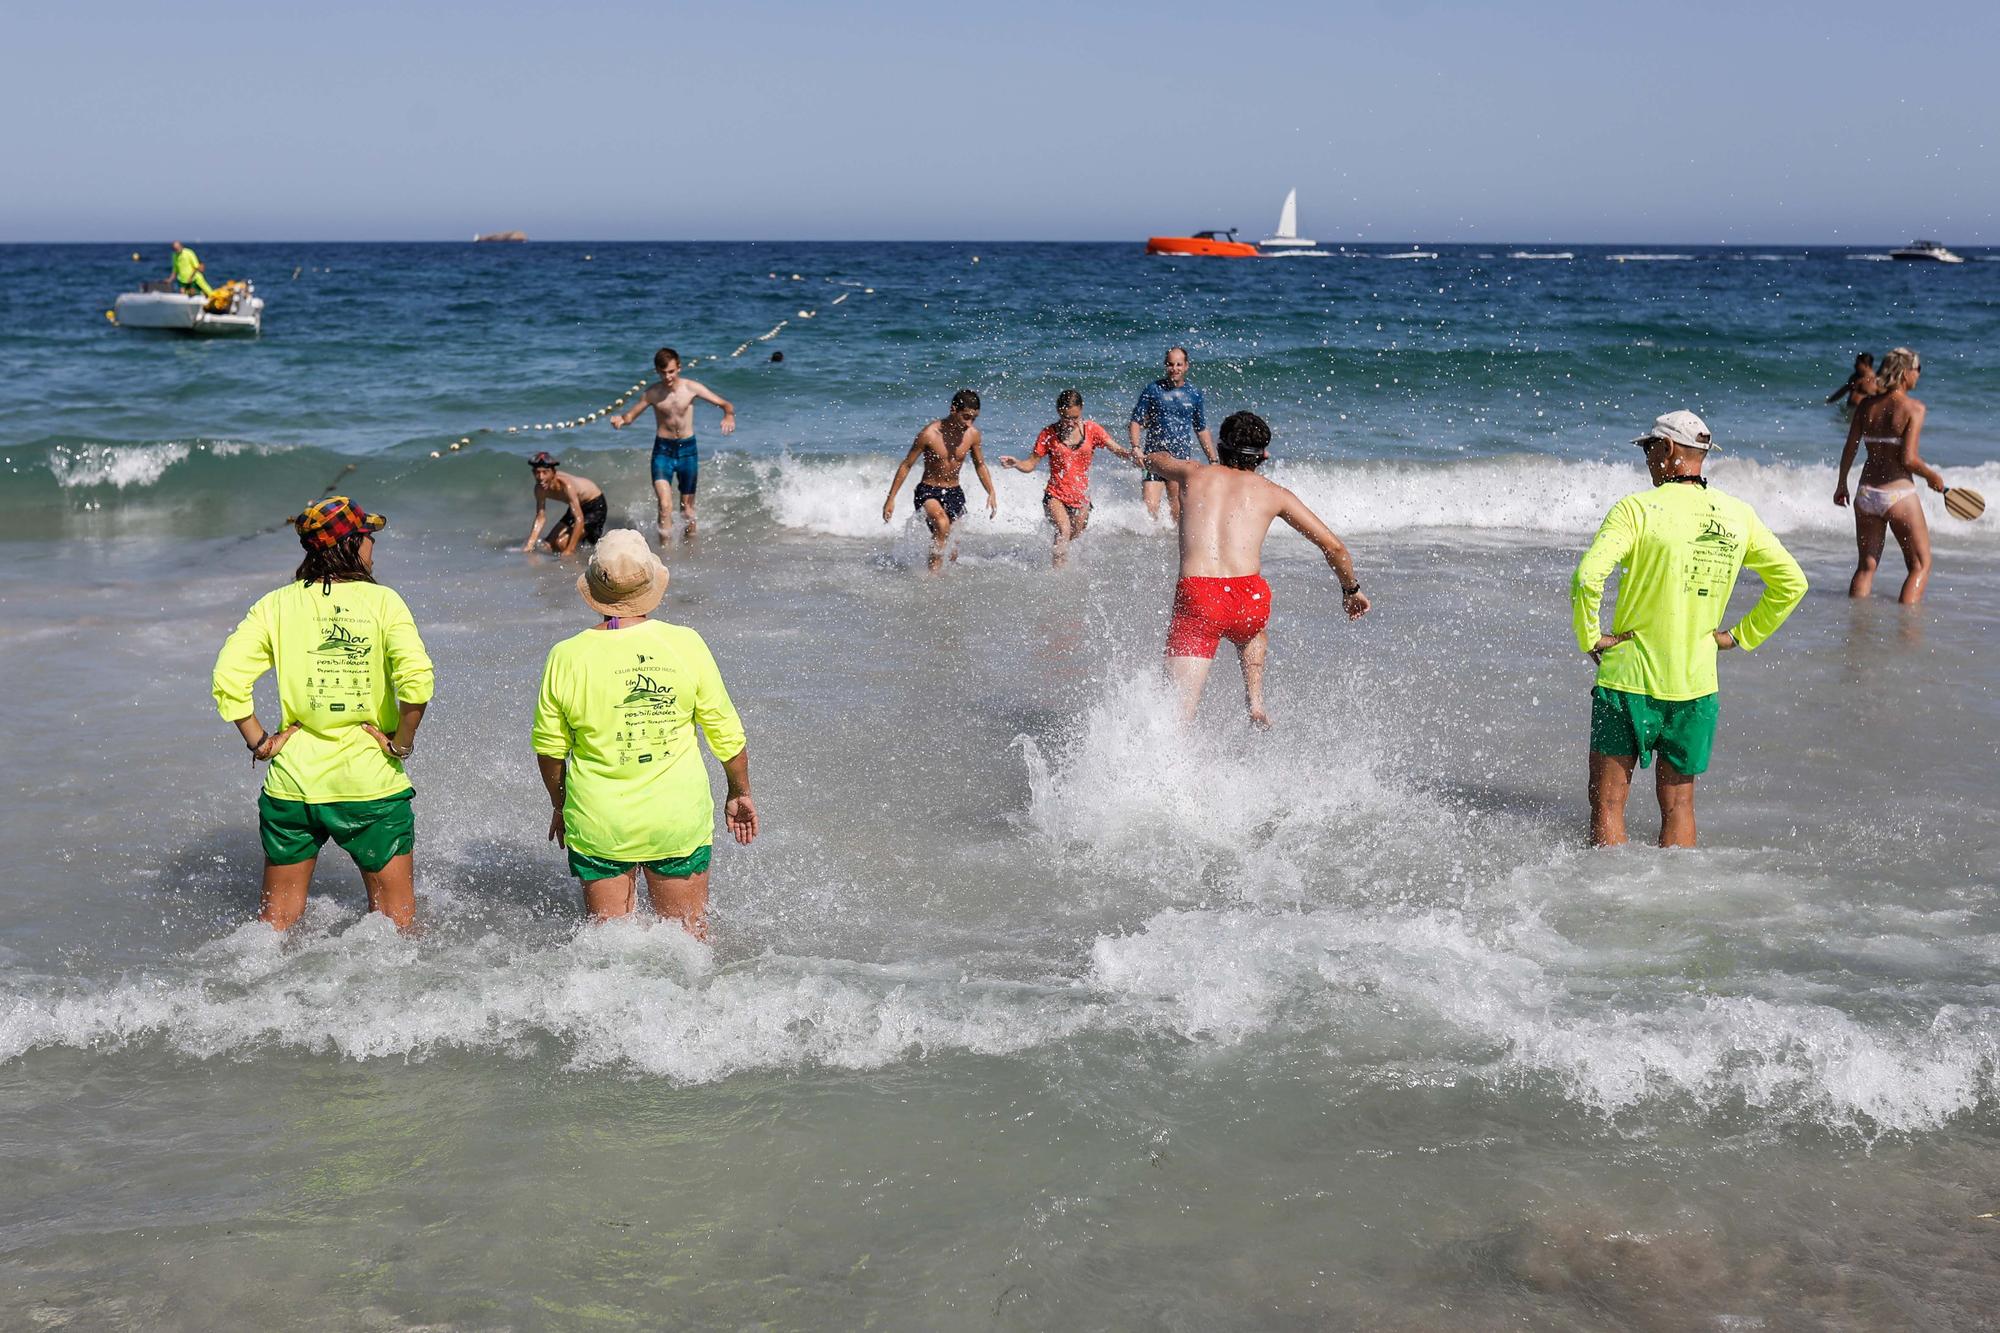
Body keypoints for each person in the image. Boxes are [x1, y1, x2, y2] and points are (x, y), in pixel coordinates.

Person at [1572, 410, 1807, 849]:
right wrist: (1740, 635)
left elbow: (1588, 577)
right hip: (1697, 682)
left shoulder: (1637, 509)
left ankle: (1607, 902)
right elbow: (1792, 582)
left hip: (1628, 679)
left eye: (1649, 448)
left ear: (1669, 450)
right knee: (1680, 806)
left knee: (1607, 803)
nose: (1646, 459)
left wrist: (1591, 636)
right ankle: (1676, 903)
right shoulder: (1738, 516)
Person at [211, 497, 435, 931]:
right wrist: (402, 743)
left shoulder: (274, 605)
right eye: (368, 537)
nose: (373, 546)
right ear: (349, 544)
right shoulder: (384, 602)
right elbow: (418, 683)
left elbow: (228, 677)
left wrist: (260, 742)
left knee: (274, 927)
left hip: (292, 785)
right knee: (399, 929)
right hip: (370, 784)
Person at [531, 530, 757, 932]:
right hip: (675, 817)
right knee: (689, 946)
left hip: (600, 820)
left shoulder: (565, 656)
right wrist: (739, 792)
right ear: (650, 582)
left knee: (610, 956)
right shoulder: (686, 643)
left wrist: (560, 803)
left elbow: (550, 750)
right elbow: (727, 733)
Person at [1141, 410, 1369, 725]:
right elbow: (1334, 547)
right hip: (1249, 597)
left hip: (1200, 598)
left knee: (1176, 717)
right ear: (1263, 456)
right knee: (1253, 630)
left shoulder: (1192, 473)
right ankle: (1256, 702)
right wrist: (1350, 590)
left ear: (1220, 448)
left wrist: (1152, 454)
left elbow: (1152, 459)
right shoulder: (1276, 494)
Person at [1834, 347, 1947, 604]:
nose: (1918, 375)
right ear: (1905, 372)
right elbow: (1908, 459)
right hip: (1897, 494)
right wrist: (1932, 476)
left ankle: (1857, 625)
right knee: (1920, 565)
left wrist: (1842, 484)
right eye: (1917, 370)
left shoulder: (1865, 406)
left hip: (1865, 494)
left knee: (1866, 566)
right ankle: (1907, 632)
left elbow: (1850, 447)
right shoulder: (1913, 408)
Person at [608, 347, 736, 543]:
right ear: (657, 371)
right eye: (662, 372)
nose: (667, 376)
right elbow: (630, 416)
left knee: (687, 508)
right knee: (665, 506)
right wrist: (621, 420)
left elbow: (726, 404)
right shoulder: (652, 393)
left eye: (671, 371)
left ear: (679, 368)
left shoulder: (691, 388)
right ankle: (665, 553)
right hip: (663, 452)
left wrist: (728, 415)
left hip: (688, 451)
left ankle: (691, 549)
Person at [998, 388, 1136, 566]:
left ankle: (1060, 568)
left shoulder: (1092, 430)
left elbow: (1116, 449)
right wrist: (1017, 463)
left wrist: (1133, 456)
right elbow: (1031, 464)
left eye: (1074, 418)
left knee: (1074, 537)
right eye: (1066, 418)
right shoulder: (1048, 434)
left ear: (1081, 410)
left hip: (1081, 497)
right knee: (1064, 531)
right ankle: (1056, 577)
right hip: (1055, 495)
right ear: (1058, 412)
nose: (1070, 423)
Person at [881, 389, 998, 574]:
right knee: (942, 524)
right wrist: (891, 498)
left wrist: (991, 491)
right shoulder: (929, 434)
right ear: (953, 410)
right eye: (966, 417)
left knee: (952, 550)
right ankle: (932, 578)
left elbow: (980, 465)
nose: (969, 423)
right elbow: (906, 465)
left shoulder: (973, 435)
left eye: (974, 418)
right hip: (929, 491)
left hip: (954, 492)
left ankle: (941, 578)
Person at [1128, 347, 1218, 523]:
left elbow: (1200, 428)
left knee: (1177, 515)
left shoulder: (1194, 394)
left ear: (1186, 366)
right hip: (1152, 459)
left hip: (1179, 462)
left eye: (1179, 364)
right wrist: (1136, 447)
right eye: (1170, 364)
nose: (1174, 368)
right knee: (1149, 510)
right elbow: (1135, 421)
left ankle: (1173, 550)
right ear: (1165, 365)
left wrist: (1213, 460)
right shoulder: (1152, 389)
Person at [522, 451, 608, 554]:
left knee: (561, 544)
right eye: (537, 472)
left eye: (545, 472)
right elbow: (541, 517)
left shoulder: (566, 486)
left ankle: (578, 553)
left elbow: (579, 519)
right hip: (577, 505)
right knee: (547, 543)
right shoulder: (539, 489)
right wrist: (529, 545)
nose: (541, 477)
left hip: (595, 505)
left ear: (553, 472)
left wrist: (569, 551)